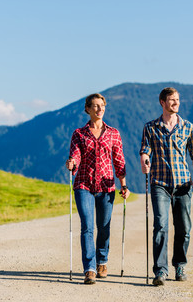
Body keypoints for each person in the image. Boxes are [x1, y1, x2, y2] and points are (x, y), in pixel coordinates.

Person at [140, 87, 193, 286]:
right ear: (162, 102)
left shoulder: (188, 127)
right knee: (160, 226)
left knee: (184, 228)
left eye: (177, 99)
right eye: (172, 100)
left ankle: (180, 265)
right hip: (159, 183)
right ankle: (160, 271)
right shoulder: (150, 127)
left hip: (183, 184)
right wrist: (144, 161)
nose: (176, 103)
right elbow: (144, 151)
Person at [66, 93, 130, 285]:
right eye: (94, 106)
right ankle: (90, 268)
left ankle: (102, 261)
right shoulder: (79, 133)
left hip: (106, 186)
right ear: (87, 109)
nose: (99, 109)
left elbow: (119, 161)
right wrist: (72, 163)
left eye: (101, 106)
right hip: (83, 185)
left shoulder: (113, 133)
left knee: (104, 227)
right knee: (87, 227)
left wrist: (124, 184)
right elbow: (75, 155)